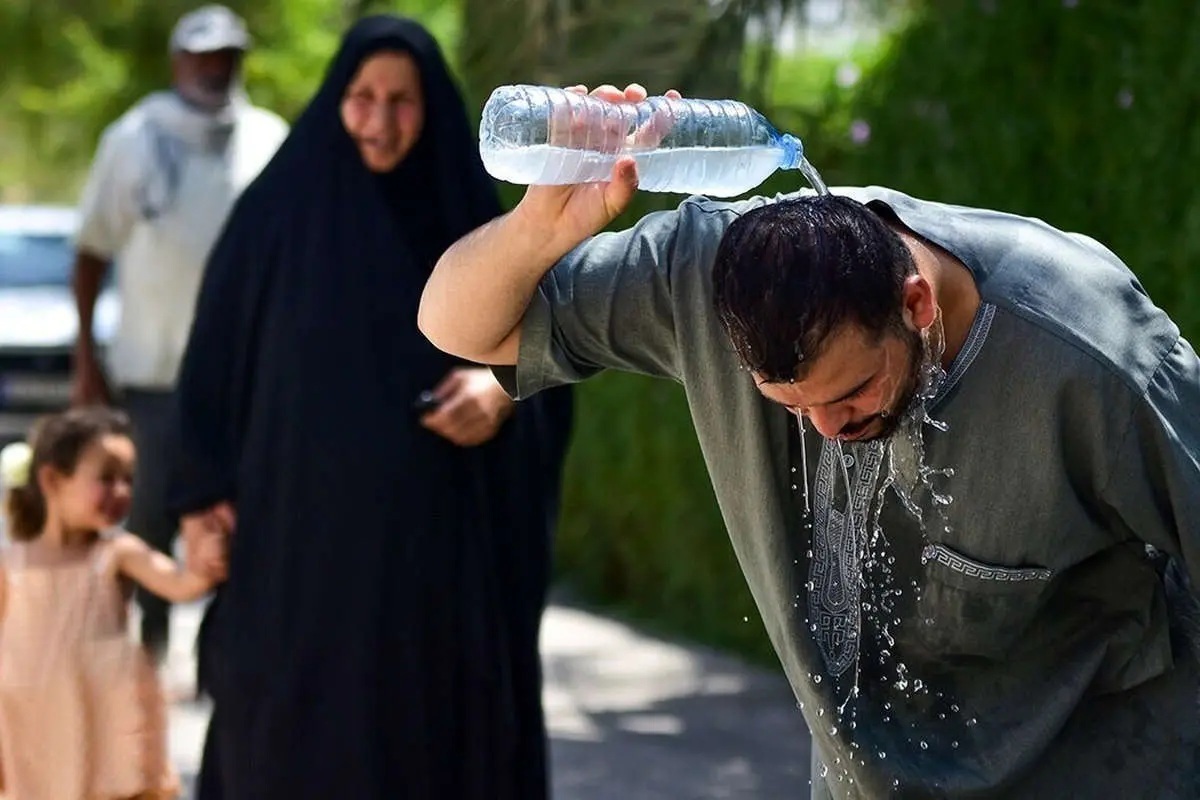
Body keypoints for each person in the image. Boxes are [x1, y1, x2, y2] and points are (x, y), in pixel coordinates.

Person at [418, 82, 1200, 799]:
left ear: (916, 305)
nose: (827, 428)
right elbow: (455, 324)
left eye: (853, 391)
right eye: (788, 405)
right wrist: (536, 228)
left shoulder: (1091, 351)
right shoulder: (704, 274)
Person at [170, 15, 573, 800]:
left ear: (434, 110)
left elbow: (562, 352)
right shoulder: (275, 219)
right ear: (336, 100)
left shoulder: (476, 219)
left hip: (437, 570)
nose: (379, 120)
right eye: (362, 97)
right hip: (295, 563)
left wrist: (500, 391)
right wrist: (197, 501)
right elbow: (212, 365)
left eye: (402, 101)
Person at [69, 4, 288, 662]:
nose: (214, 68)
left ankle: (231, 662)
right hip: (154, 372)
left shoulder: (268, 138)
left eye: (227, 56)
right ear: (178, 61)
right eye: (201, 56)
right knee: (150, 515)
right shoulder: (131, 138)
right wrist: (86, 356)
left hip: (247, 377)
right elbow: (90, 253)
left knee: (245, 518)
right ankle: (149, 652)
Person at [0, 407, 223, 799]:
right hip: (33, 733)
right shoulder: (12, 564)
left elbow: (181, 584)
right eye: (106, 478)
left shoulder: (116, 554)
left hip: (102, 734)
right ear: (52, 480)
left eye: (128, 480)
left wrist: (207, 556)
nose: (121, 492)